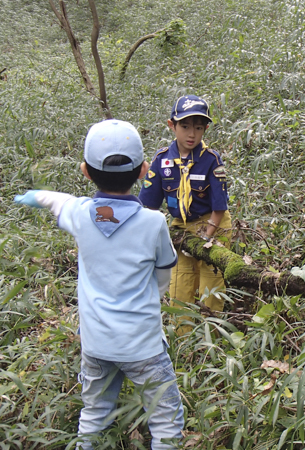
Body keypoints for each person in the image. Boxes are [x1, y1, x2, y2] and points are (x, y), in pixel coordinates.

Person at [14, 119, 184, 449]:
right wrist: (155, 295)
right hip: (143, 346)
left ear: (85, 172)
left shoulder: (80, 214)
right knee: (165, 418)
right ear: (143, 171)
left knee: (94, 415)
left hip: (97, 345)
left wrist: (37, 195)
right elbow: (164, 272)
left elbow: (59, 201)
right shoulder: (153, 223)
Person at [139, 95, 231, 334]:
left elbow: (219, 207)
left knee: (211, 284)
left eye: (198, 128)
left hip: (214, 224)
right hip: (180, 228)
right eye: (185, 126)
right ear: (172, 126)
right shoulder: (162, 161)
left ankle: (212, 338)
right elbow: (148, 206)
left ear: (205, 129)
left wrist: (206, 238)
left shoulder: (211, 160)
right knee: (179, 286)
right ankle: (184, 344)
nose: (192, 134)